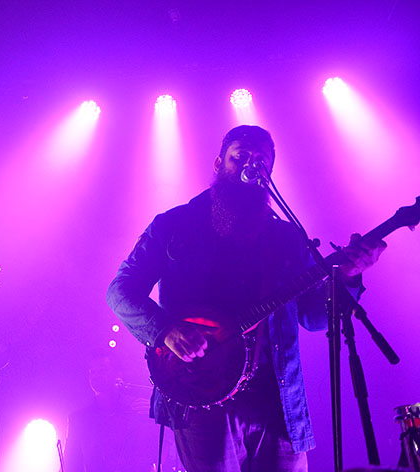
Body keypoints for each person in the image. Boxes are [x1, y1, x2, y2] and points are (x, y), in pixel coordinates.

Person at [106, 125, 386, 472]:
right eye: (241, 156)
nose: (251, 166)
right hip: (203, 395)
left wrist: (347, 275)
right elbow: (120, 290)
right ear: (218, 162)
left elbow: (314, 317)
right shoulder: (174, 225)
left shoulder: (286, 235)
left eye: (262, 161)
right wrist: (165, 331)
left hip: (279, 400)